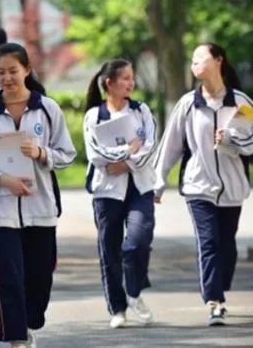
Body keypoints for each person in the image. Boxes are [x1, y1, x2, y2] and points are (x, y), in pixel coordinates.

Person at [0, 43, 76, 347]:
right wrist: (1, 179)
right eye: (0, 72)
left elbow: (68, 154)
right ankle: (17, 339)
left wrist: (41, 152)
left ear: (27, 70)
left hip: (40, 208)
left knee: (40, 279)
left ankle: (30, 323)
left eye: (13, 71)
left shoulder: (47, 109)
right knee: (9, 280)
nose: (7, 78)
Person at [154, 42, 253, 326]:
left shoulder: (242, 103)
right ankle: (215, 301)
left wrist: (232, 140)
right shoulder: (188, 104)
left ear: (218, 60)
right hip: (199, 185)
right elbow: (170, 145)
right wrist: (158, 182)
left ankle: (220, 289)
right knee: (208, 242)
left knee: (227, 246)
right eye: (192, 59)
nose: (195, 62)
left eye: (201, 57)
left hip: (233, 188)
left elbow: (251, 144)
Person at [83, 59, 157, 328]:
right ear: (109, 84)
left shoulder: (141, 111)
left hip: (140, 187)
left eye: (131, 78)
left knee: (137, 241)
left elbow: (151, 146)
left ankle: (135, 291)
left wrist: (125, 161)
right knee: (109, 249)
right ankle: (118, 309)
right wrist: (130, 149)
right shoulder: (94, 116)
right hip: (107, 192)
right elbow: (96, 154)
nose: (131, 83)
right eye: (125, 78)